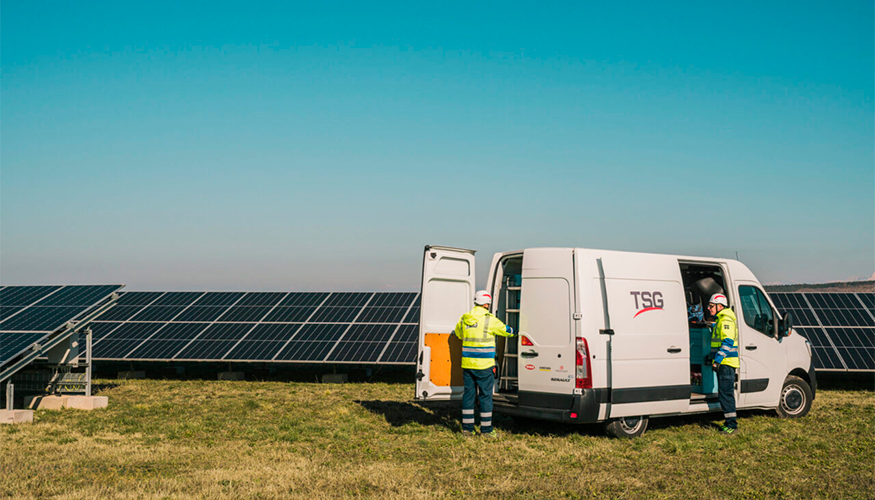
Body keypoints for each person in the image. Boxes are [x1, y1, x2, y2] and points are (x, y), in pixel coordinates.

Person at [454, 290, 515, 438]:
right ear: (486, 303)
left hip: (468, 365)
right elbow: (507, 331)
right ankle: (486, 430)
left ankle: (467, 429)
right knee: (485, 397)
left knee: (468, 396)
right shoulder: (490, 320)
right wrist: (516, 330)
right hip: (484, 366)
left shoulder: (464, 318)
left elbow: (458, 334)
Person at [708, 293, 740, 434]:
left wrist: (718, 360)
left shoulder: (725, 319)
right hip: (724, 362)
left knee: (726, 394)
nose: (709, 308)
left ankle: (731, 425)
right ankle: (729, 422)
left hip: (726, 363)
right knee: (724, 393)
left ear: (720, 306)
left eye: (711, 306)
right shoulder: (721, 319)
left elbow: (727, 342)